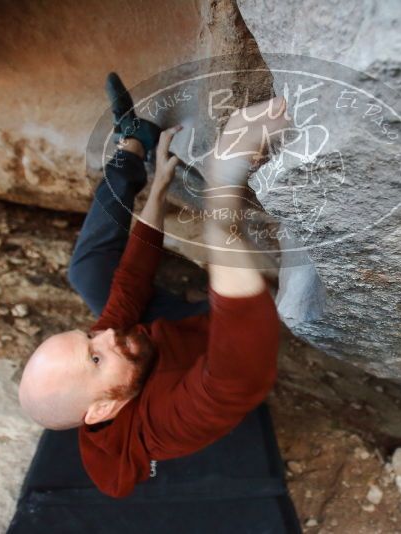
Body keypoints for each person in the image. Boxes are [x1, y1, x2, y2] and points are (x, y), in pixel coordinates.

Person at [18, 72, 290, 498]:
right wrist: (224, 183)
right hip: (218, 339)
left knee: (87, 272)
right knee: (274, 304)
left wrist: (159, 187)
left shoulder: (113, 348)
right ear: (105, 408)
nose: (106, 333)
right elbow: (236, 373)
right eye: (93, 357)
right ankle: (217, 294)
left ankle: (132, 144)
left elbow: (129, 283)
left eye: (88, 334)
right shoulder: (163, 424)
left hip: (165, 339)